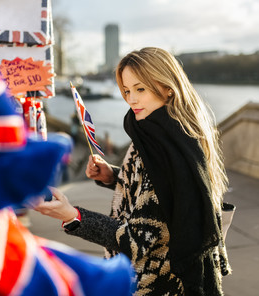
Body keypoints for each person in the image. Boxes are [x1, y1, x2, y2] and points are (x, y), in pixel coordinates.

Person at [34, 47, 231, 295]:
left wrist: (73, 216)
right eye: (127, 90)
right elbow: (158, 190)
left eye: (140, 89)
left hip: (156, 281)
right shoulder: (165, 130)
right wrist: (114, 176)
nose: (131, 99)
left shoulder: (164, 146)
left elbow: (139, 240)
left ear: (167, 88)